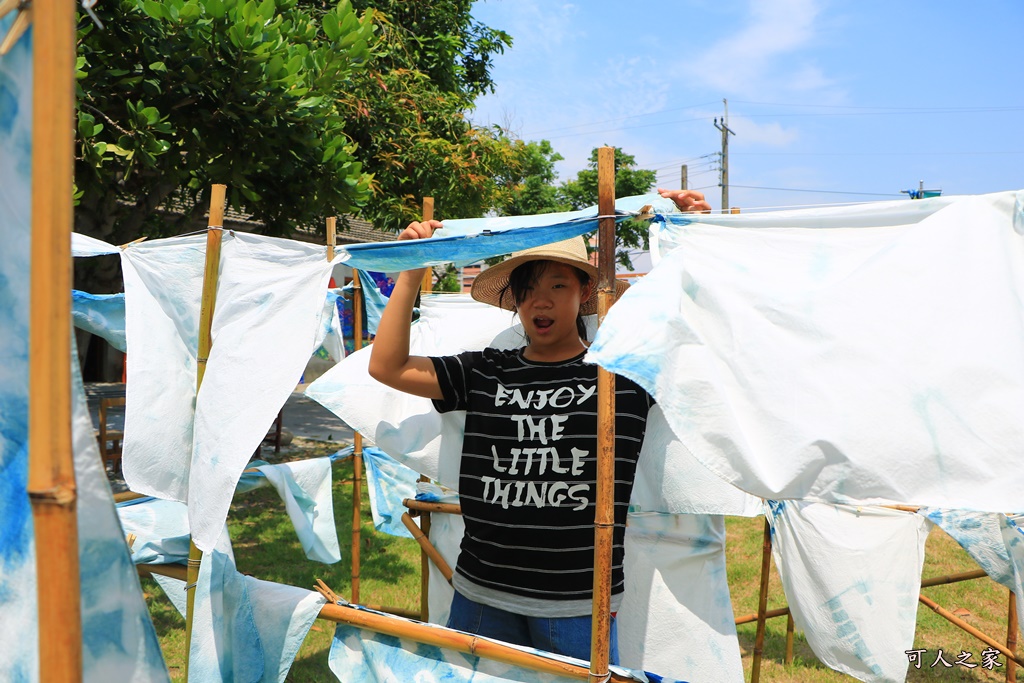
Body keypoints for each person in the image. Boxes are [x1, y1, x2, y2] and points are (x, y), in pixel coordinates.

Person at [368, 189, 711, 662]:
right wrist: (411, 271)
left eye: (557, 286)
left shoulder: (622, 374)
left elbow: (694, 327)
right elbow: (388, 366)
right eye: (527, 290)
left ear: (586, 292)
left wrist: (692, 239)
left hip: (578, 603)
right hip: (481, 593)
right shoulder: (486, 370)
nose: (540, 302)